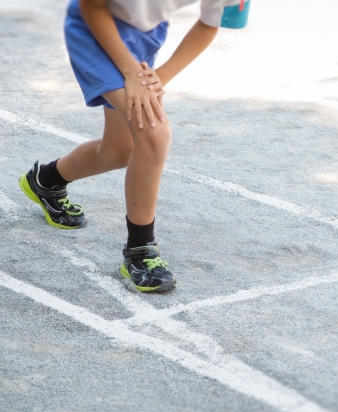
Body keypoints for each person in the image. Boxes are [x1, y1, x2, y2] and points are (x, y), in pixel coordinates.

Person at [19, 0, 250, 292]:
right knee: (154, 134)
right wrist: (130, 72)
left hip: (142, 38)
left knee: (118, 152)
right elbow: (92, 6)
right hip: (95, 31)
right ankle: (140, 250)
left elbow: (209, 23)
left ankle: (46, 180)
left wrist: (158, 78)